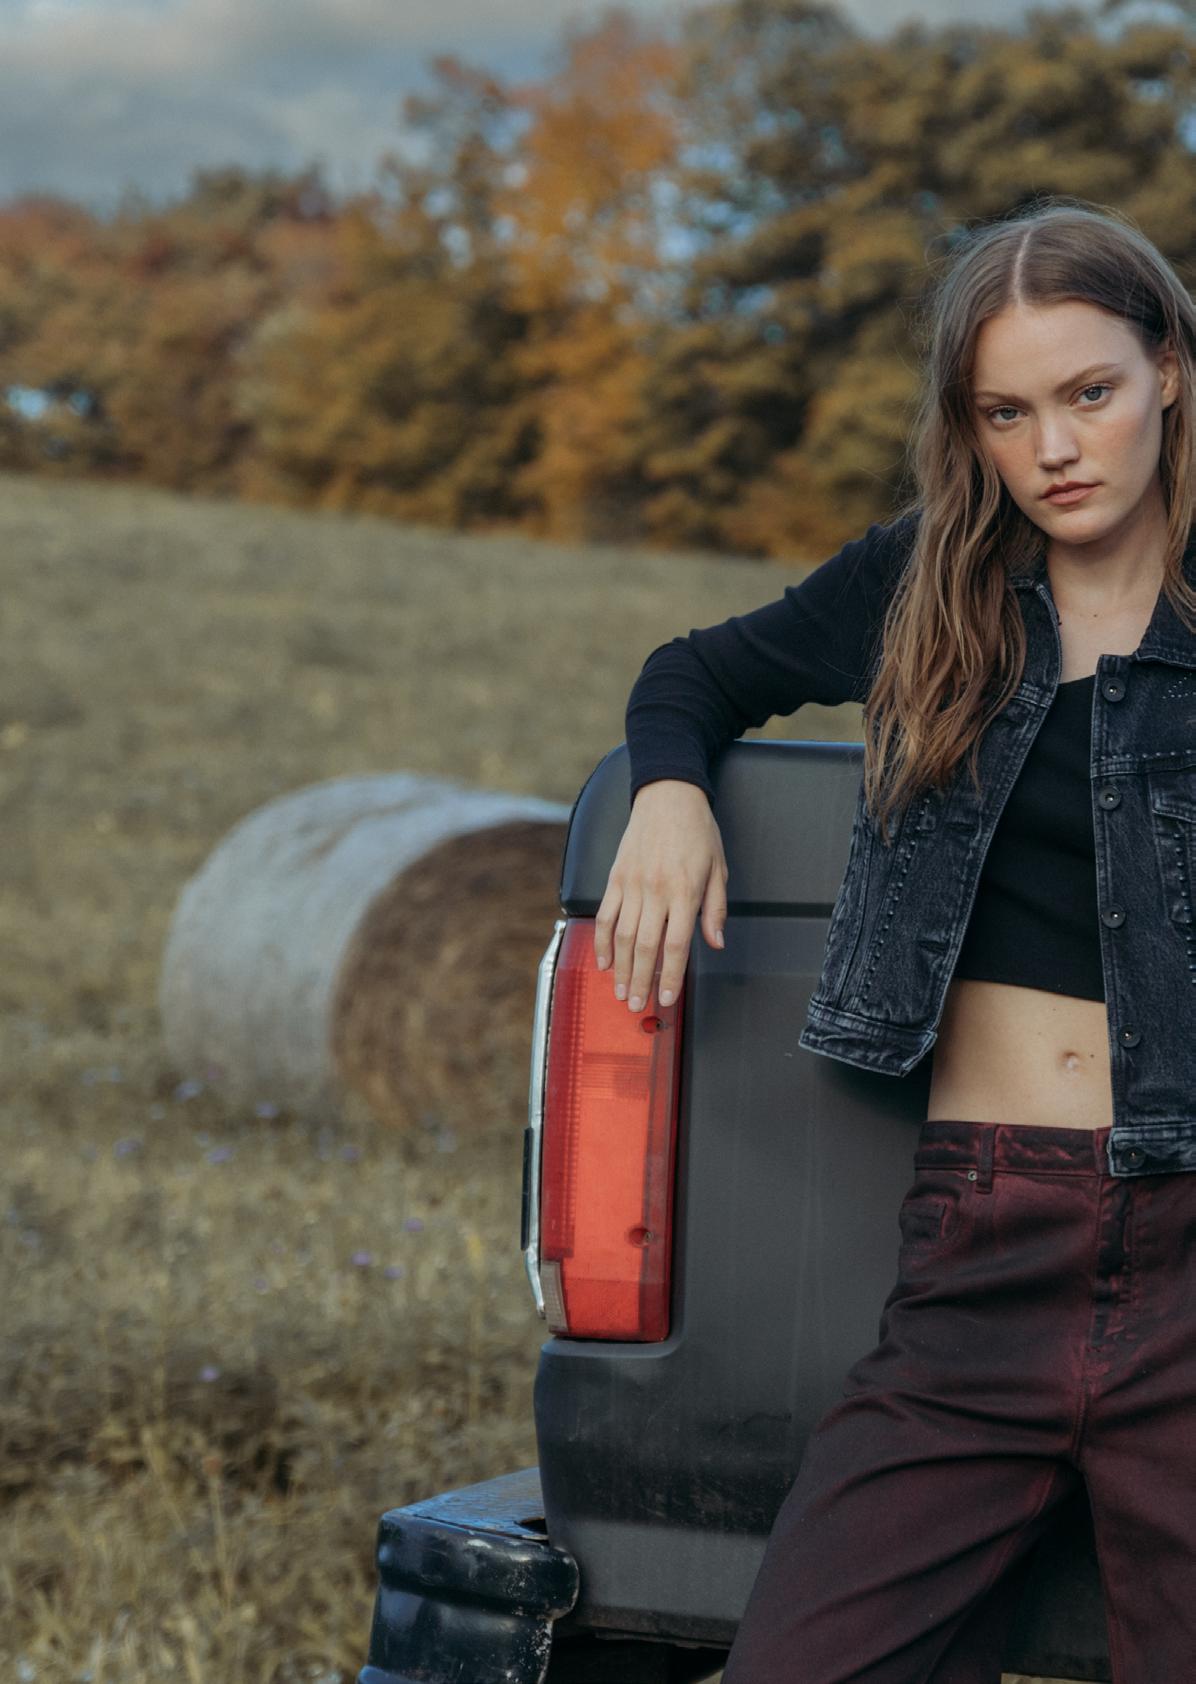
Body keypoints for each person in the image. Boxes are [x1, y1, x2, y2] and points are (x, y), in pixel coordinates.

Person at [596, 197, 1196, 1682]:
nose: (1055, 448)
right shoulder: (931, 582)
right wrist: (667, 794)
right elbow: (695, 672)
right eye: (1008, 413)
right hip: (982, 1245)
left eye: (1091, 393)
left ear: (1170, 371)